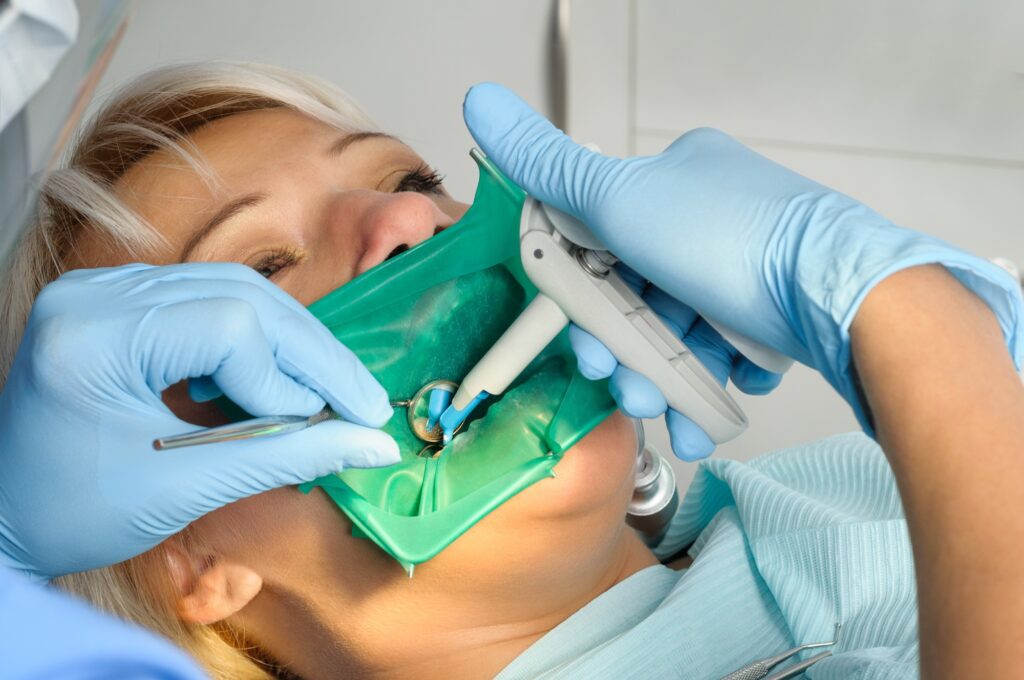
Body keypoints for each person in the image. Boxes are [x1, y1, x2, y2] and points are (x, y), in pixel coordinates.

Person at [0, 61, 1020, 679]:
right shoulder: (921, 374)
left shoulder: (848, 482)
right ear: (184, 555)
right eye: (263, 270)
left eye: (413, 178)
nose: (406, 219)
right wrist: (913, 320)